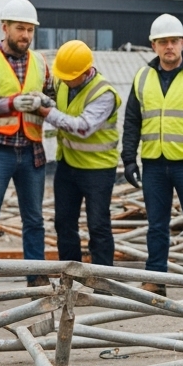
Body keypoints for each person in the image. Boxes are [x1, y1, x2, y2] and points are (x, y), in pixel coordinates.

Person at [119, 14, 183, 296]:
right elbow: (132, 121)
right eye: (163, 42)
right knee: (156, 226)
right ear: (153, 45)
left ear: (182, 43)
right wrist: (129, 159)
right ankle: (155, 279)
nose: (169, 47)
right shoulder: (142, 77)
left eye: (174, 41)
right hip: (154, 163)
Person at [0, 0, 56, 289]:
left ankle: (37, 276)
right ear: (5, 28)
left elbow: (51, 99)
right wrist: (11, 103)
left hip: (32, 151)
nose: (26, 36)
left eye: (30, 30)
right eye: (21, 29)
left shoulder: (42, 62)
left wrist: (45, 102)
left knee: (34, 219)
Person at [44, 40, 120, 268]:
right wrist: (42, 100)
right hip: (68, 165)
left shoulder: (103, 93)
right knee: (64, 223)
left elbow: (83, 127)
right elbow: (53, 97)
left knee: (98, 225)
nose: (65, 80)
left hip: (98, 169)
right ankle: (71, 275)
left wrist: (46, 111)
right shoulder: (63, 81)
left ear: (86, 72)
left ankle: (102, 278)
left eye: (70, 76)